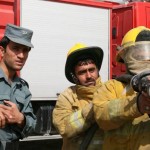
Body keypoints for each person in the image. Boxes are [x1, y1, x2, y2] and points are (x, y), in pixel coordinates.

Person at [93, 26, 150, 150]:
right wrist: (137, 105)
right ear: (125, 58)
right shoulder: (112, 87)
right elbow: (101, 115)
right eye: (138, 55)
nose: (146, 59)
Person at [53, 43, 104, 150]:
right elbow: (63, 127)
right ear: (74, 76)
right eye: (82, 72)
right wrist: (94, 108)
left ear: (97, 70)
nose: (89, 76)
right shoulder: (67, 96)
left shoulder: (109, 90)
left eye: (91, 70)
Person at [0, 24, 36, 150]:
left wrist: (21, 119)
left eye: (25, 50)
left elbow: (32, 124)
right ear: (2, 51)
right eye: (16, 48)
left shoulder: (23, 88)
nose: (21, 55)